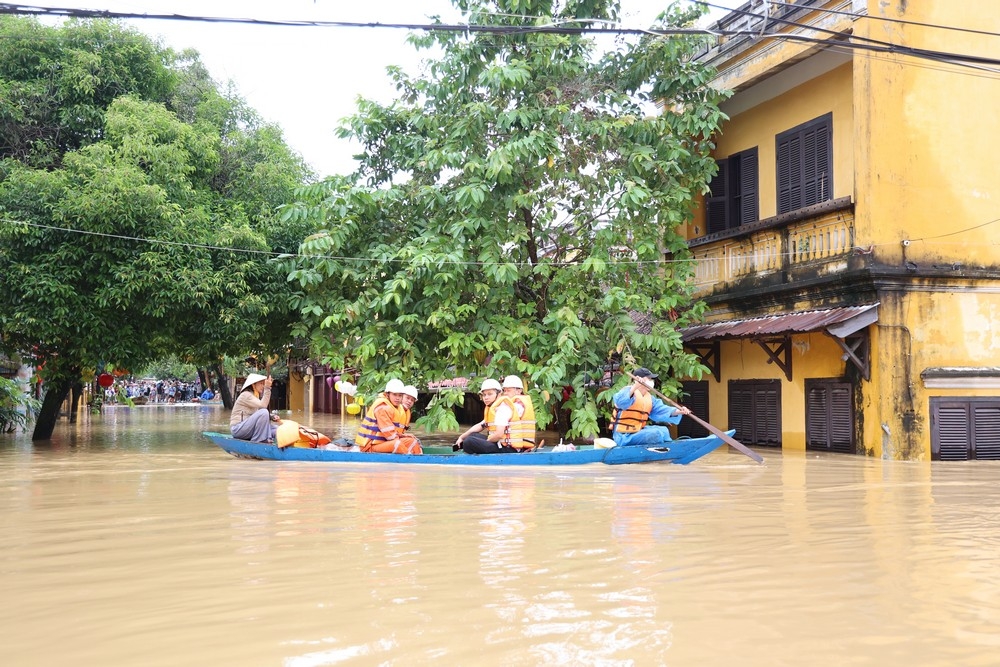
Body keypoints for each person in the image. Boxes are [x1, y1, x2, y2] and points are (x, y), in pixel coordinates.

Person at [610, 367, 691, 447]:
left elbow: (661, 410)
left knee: (664, 431)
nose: (651, 381)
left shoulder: (650, 398)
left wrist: (679, 411)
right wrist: (635, 386)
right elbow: (620, 402)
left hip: (638, 431)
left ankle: (667, 449)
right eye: (649, 379)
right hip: (624, 436)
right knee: (655, 434)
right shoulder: (628, 391)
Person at [455, 378, 532, 454]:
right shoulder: (495, 408)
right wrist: (462, 437)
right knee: (472, 435)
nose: (486, 397)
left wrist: (486, 442)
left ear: (499, 394)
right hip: (501, 444)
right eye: (484, 395)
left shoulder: (503, 409)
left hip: (509, 449)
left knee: (468, 442)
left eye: (490, 394)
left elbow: (498, 435)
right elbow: (481, 425)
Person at [354, 379, 422, 454]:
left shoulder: (397, 408)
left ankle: (420, 459)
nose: (397, 398)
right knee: (397, 444)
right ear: (387, 394)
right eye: (394, 394)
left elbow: (393, 434)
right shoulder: (382, 408)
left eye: (400, 395)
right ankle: (410, 458)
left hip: (383, 442)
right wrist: (402, 437)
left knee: (412, 441)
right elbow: (390, 435)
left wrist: (405, 436)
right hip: (369, 446)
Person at [231, 373, 279, 443]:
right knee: (264, 412)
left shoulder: (254, 397)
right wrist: (267, 388)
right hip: (238, 429)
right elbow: (263, 406)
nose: (263, 386)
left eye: (264, 384)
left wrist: (271, 417)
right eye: (261, 384)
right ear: (253, 384)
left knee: (278, 429)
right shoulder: (246, 395)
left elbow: (258, 413)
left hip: (248, 428)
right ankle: (258, 441)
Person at [501, 375, 538, 449]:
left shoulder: (518, 406)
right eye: (504, 391)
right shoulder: (512, 404)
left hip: (515, 446)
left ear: (519, 391)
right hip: (512, 444)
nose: (505, 393)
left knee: (475, 441)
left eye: (508, 390)